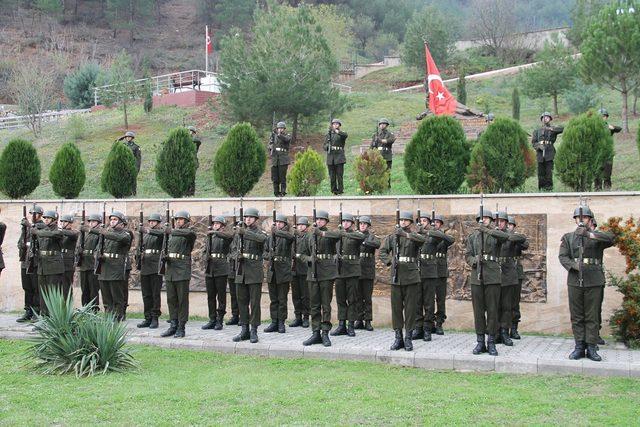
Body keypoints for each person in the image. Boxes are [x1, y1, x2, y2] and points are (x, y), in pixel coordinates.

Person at [559, 205, 614, 362]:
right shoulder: (568, 237)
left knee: (592, 315)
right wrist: (574, 266)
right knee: (577, 316)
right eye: (578, 218)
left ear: (590, 219)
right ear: (575, 220)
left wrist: (590, 235)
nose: (581, 220)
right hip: (575, 280)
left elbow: (611, 238)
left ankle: (591, 347)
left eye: (584, 217)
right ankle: (579, 346)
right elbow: (563, 257)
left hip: (594, 280)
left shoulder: (596, 236)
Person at [465, 207, 509, 356]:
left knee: (492, 310)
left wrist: (488, 231)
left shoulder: (495, 234)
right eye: (480, 219)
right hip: (477, 275)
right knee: (478, 311)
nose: (482, 221)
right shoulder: (472, 237)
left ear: (490, 220)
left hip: (492, 276)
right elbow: (467, 255)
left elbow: (505, 238)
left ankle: (491, 341)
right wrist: (473, 261)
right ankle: (480, 342)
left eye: (485, 218)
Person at [379, 211, 426, 352]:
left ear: (410, 223)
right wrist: (390, 262)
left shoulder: (414, 236)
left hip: (411, 277)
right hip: (397, 276)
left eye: (406, 220)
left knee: (411, 309)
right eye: (401, 220)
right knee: (396, 309)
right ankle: (398, 337)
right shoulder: (392, 237)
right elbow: (382, 252)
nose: (403, 222)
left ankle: (408, 338)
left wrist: (405, 235)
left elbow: (422, 241)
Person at [301, 210, 341, 347]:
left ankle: (325, 333)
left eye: (322, 220)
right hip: (313, 272)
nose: (319, 221)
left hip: (327, 273)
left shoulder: (329, 234)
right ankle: (315, 332)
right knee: (314, 305)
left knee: (326, 304)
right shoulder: (309, 236)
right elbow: (302, 254)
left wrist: (322, 233)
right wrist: (309, 259)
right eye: (317, 219)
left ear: (326, 222)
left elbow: (339, 235)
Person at [232, 207, 267, 344]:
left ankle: (254, 330)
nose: (248, 219)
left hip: (254, 271)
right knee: (242, 302)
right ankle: (244, 330)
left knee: (255, 303)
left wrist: (244, 233)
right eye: (246, 217)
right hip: (241, 271)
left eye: (251, 217)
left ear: (256, 219)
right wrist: (237, 256)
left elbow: (262, 240)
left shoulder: (259, 232)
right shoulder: (238, 234)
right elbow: (233, 250)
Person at [160, 211, 197, 338]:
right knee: (171, 299)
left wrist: (170, 230)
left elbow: (189, 234)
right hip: (170, 268)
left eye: (181, 220)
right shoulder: (171, 234)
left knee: (182, 300)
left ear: (187, 221)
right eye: (177, 219)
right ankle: (173, 325)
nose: (178, 221)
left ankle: (181, 327)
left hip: (182, 269)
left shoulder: (189, 233)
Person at [413, 212, 448, 342]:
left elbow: (448, 239)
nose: (422, 223)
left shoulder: (435, 235)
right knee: (417, 301)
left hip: (434, 271)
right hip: (418, 271)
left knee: (433, 301)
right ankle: (418, 327)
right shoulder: (416, 235)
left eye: (424, 220)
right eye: (420, 221)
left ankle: (433, 325)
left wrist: (430, 231)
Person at [495, 211, 527, 347]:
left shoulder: (512, 236)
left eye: (502, 221)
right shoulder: (492, 235)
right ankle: (495, 332)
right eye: (497, 221)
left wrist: (507, 235)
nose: (499, 224)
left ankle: (507, 330)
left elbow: (524, 242)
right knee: (495, 305)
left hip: (509, 273)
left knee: (509, 305)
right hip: (495, 273)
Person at [332, 213, 365, 337]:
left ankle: (351, 325)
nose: (345, 223)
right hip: (339, 271)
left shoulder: (356, 234)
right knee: (340, 299)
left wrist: (344, 233)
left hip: (352, 271)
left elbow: (361, 237)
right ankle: (341, 325)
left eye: (347, 221)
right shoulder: (337, 234)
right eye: (343, 221)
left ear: (351, 223)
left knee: (352, 299)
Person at [94, 211, 131, 321]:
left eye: (115, 219)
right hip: (104, 266)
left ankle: (118, 316)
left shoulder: (125, 234)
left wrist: (104, 233)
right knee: (106, 295)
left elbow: (121, 239)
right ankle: (108, 315)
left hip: (116, 267)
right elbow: (98, 248)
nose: (112, 221)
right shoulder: (106, 234)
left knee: (117, 295)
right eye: (111, 219)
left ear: (121, 222)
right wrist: (97, 255)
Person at [264, 213, 295, 333]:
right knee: (274, 299)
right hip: (272, 271)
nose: (278, 224)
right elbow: (264, 253)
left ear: (285, 225)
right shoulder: (269, 238)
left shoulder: (287, 236)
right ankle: (274, 322)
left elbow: (291, 238)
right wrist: (269, 256)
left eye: (280, 223)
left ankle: (281, 322)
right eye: (276, 223)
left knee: (282, 299)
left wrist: (276, 232)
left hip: (284, 272)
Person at [202, 215, 234, 330]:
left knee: (221, 296)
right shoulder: (209, 237)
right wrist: (205, 257)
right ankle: (212, 319)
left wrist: (214, 232)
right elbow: (204, 250)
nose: (215, 225)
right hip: (210, 268)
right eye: (214, 224)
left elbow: (230, 237)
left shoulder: (224, 236)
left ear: (222, 226)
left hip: (221, 268)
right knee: (211, 296)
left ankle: (220, 319)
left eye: (217, 224)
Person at [32, 211, 65, 316]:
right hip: (42, 265)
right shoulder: (42, 230)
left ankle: (54, 316)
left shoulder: (58, 231)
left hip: (54, 266)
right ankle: (44, 316)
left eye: (48, 218)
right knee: (43, 293)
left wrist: (36, 231)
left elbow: (50, 235)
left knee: (53, 293)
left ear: (54, 220)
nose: (46, 219)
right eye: (45, 218)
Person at [137, 213, 164, 329]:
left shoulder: (160, 232)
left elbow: (161, 234)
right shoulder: (146, 235)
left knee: (155, 294)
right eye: (150, 221)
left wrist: (146, 231)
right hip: (145, 266)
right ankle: (147, 317)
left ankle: (155, 317)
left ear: (158, 223)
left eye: (154, 221)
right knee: (146, 294)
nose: (151, 223)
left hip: (155, 267)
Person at [17, 205, 44, 322]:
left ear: (40, 215)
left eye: (35, 213)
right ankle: (28, 310)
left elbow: (40, 237)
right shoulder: (27, 227)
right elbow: (20, 242)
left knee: (35, 287)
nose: (32, 216)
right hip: (25, 261)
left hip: (35, 261)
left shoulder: (41, 226)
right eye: (31, 213)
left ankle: (36, 311)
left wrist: (28, 225)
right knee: (26, 287)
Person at [355, 215, 380, 331]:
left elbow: (377, 244)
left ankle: (368, 320)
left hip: (368, 270)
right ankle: (359, 319)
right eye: (361, 224)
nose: (362, 225)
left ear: (368, 226)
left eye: (365, 224)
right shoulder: (355, 235)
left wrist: (363, 242)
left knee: (367, 298)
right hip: (357, 269)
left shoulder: (372, 237)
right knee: (358, 297)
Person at [507, 216, 528, 339]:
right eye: (507, 224)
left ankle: (514, 328)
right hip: (503, 272)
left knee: (515, 302)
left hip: (516, 272)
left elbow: (525, 244)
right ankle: (502, 328)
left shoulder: (517, 238)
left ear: (514, 227)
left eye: (511, 225)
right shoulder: (501, 237)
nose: (509, 226)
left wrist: (513, 238)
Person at [433, 214, 454, 335]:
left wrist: (439, 233)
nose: (435, 224)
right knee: (428, 300)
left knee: (440, 299)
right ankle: (429, 322)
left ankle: (439, 322)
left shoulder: (444, 236)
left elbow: (451, 240)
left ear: (441, 224)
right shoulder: (427, 234)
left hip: (440, 272)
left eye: (437, 222)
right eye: (433, 222)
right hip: (427, 271)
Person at [531, 112, 563, 191]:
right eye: (544, 117)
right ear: (541, 119)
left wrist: (549, 129)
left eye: (547, 117)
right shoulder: (537, 131)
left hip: (549, 153)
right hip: (540, 154)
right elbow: (533, 142)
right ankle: (541, 190)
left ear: (550, 119)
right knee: (540, 173)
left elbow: (561, 129)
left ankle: (549, 189)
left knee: (549, 173)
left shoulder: (553, 129)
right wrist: (539, 146)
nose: (545, 119)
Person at [77, 213, 102, 310]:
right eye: (90, 221)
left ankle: (94, 309)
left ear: (98, 223)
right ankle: (85, 309)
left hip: (93, 265)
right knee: (84, 290)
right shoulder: (86, 234)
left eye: (94, 221)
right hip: (84, 264)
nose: (91, 223)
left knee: (93, 290)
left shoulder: (99, 233)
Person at [289, 216, 311, 328]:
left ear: (307, 227)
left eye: (303, 225)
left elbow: (311, 256)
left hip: (304, 270)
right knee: (295, 295)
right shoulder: (294, 237)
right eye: (299, 225)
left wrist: (300, 256)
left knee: (305, 295)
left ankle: (306, 317)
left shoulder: (309, 237)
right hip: (294, 270)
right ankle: (298, 317)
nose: (300, 226)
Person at [595, 108, 621, 191]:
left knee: (607, 174)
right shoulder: (594, 127)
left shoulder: (609, 128)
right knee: (597, 174)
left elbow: (619, 129)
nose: (603, 118)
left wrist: (612, 127)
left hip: (607, 155)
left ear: (606, 117)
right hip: (597, 154)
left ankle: (607, 190)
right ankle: (597, 189)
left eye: (604, 116)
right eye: (601, 116)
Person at [370, 118, 396, 187]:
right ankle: (379, 187)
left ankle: (387, 187)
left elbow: (391, 140)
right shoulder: (375, 135)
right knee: (378, 172)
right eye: (381, 124)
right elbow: (372, 146)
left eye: (384, 124)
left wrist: (381, 140)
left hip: (387, 155)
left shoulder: (390, 134)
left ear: (387, 125)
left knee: (387, 172)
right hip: (378, 155)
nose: (382, 125)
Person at [324, 119, 348, 195]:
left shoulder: (342, 134)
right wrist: (327, 146)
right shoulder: (329, 134)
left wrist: (338, 132)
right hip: (331, 157)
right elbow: (324, 146)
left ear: (339, 125)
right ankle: (334, 190)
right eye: (334, 124)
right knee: (332, 176)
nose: (335, 125)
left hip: (339, 156)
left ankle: (340, 190)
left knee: (339, 175)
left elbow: (345, 135)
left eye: (337, 124)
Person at [268, 122, 292, 197]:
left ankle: (283, 192)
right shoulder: (274, 136)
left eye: (281, 128)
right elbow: (269, 145)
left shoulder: (287, 135)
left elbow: (286, 140)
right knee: (275, 177)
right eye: (279, 128)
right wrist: (270, 146)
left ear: (284, 129)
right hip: (275, 159)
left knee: (282, 177)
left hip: (283, 159)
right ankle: (276, 192)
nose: (280, 129)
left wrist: (279, 135)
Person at [59, 214, 79, 299]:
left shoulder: (73, 232)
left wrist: (58, 230)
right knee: (58, 286)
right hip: (58, 261)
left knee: (66, 286)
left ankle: (68, 307)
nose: (63, 223)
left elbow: (71, 234)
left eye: (65, 221)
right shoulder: (59, 232)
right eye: (62, 221)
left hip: (68, 263)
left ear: (70, 223)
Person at [119, 131, 141, 195]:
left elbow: (138, 159)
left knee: (132, 181)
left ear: (132, 138)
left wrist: (137, 168)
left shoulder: (136, 147)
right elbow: (115, 146)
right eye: (126, 137)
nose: (128, 138)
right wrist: (119, 139)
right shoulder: (123, 145)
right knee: (124, 180)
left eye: (129, 137)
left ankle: (133, 193)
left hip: (132, 166)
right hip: (124, 166)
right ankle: (126, 193)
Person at [186, 126, 201, 196]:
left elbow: (198, 141)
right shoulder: (185, 140)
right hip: (185, 162)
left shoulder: (195, 141)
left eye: (191, 131)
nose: (190, 133)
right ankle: (186, 193)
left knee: (191, 178)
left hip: (193, 162)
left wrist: (189, 136)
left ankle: (191, 193)